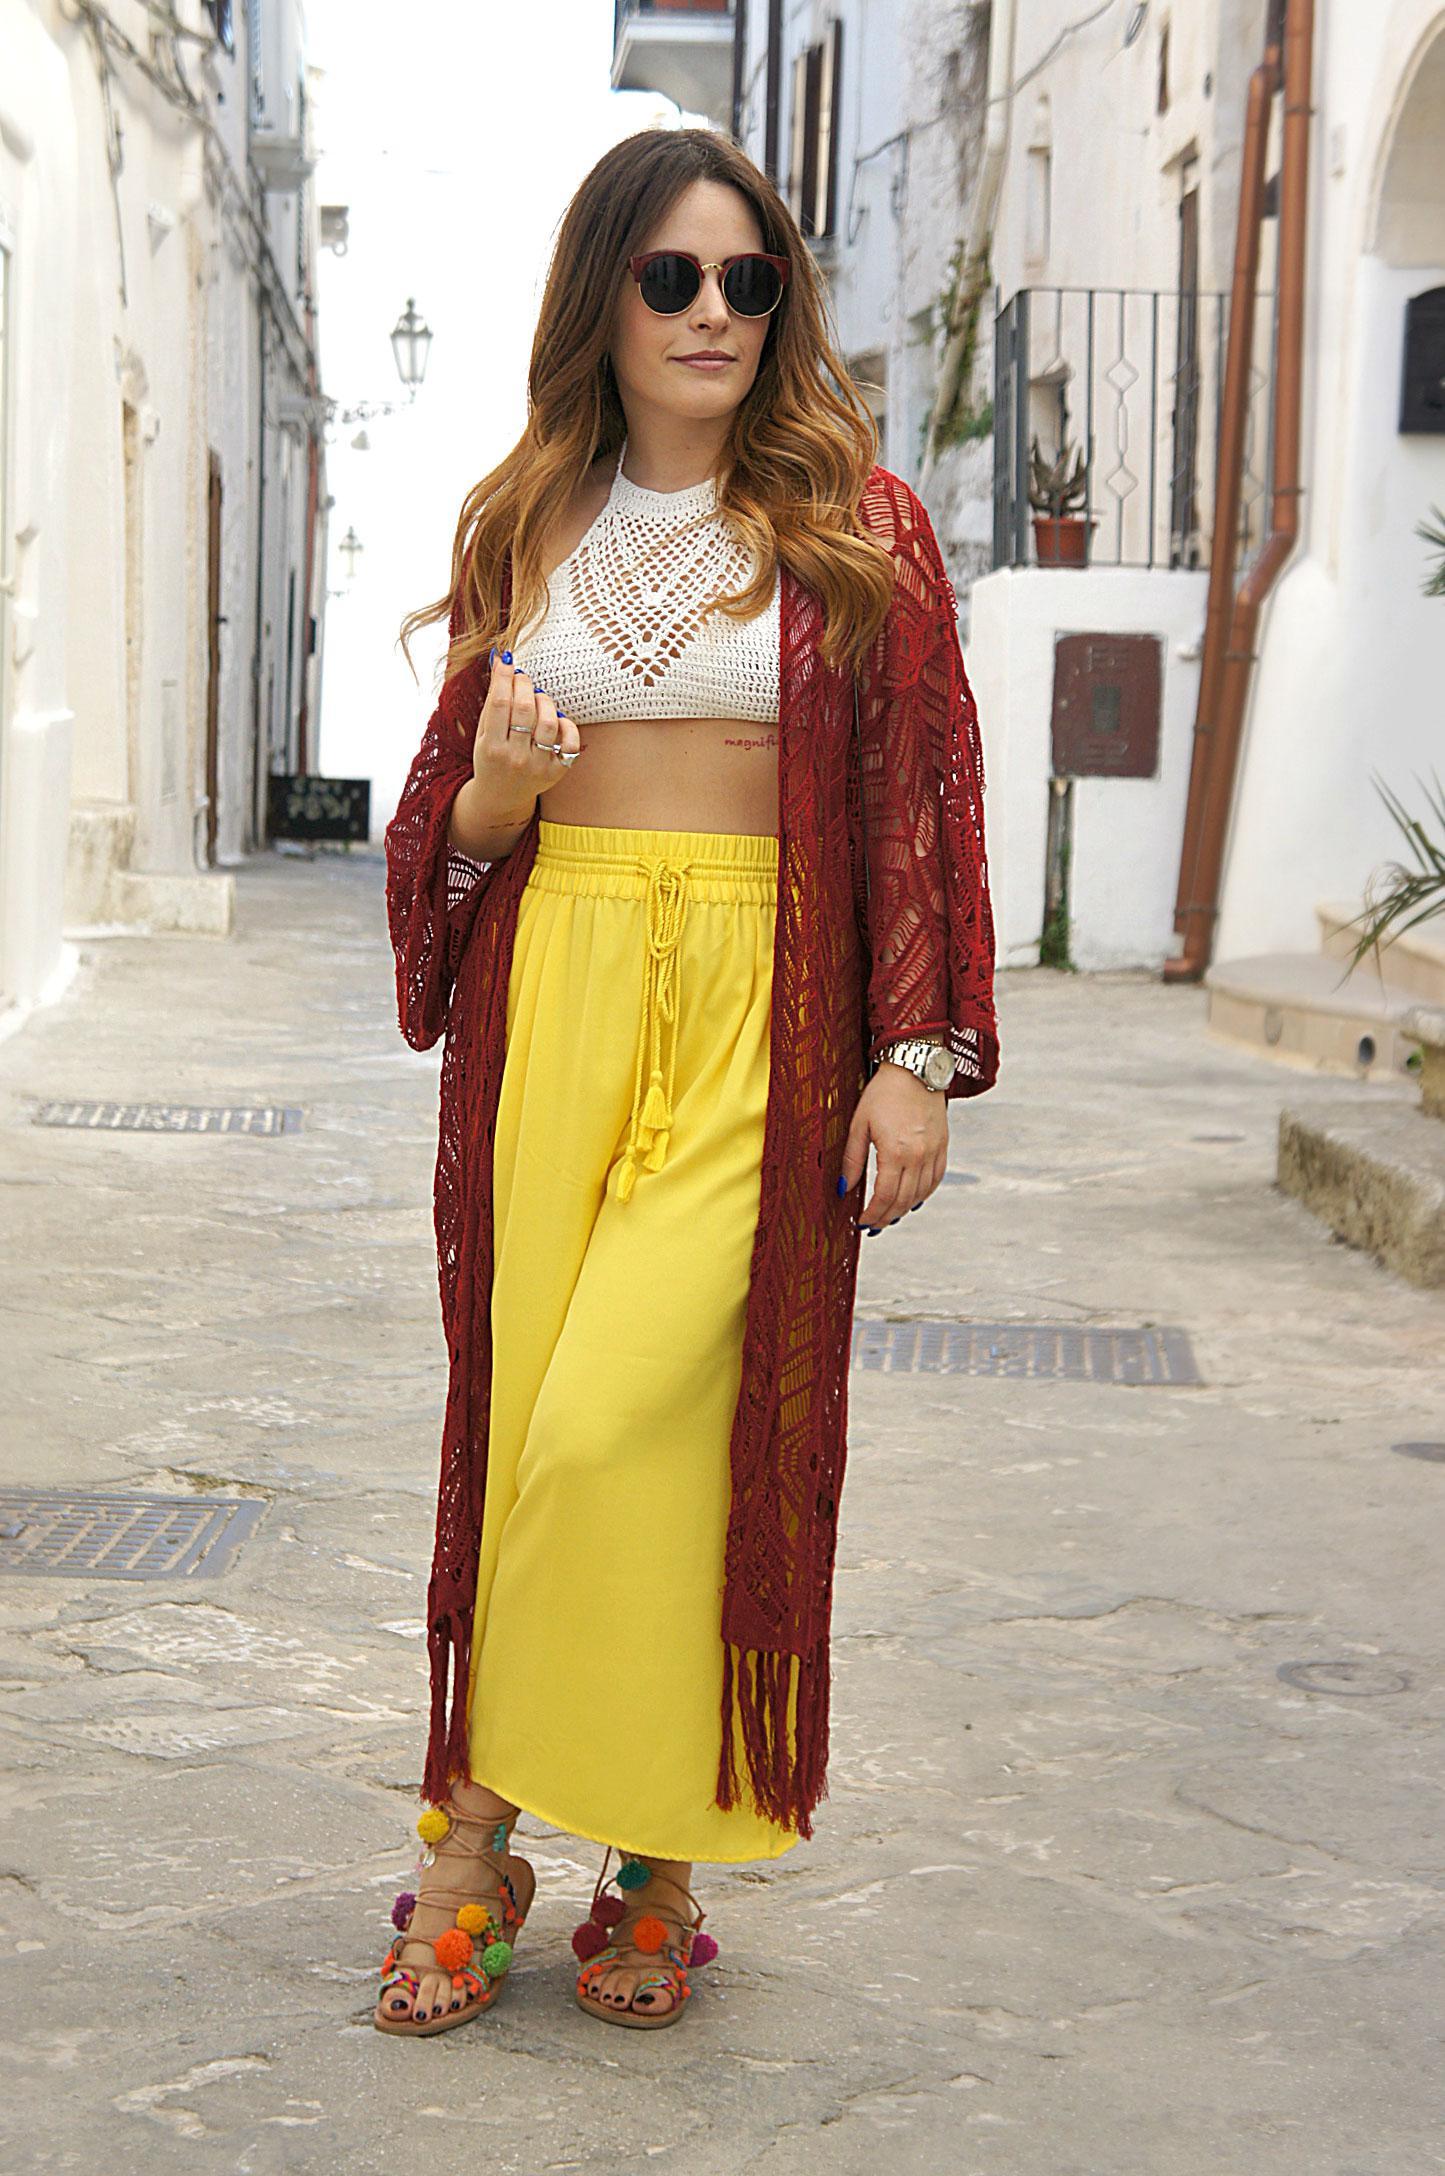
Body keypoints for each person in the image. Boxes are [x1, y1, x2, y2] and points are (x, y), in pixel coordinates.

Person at [377, 125, 1000, 2037]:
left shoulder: (854, 523)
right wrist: (501, 788)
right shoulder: (523, 521)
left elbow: (916, 801)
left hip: (762, 1006)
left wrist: (913, 1059)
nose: (714, 311)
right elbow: (446, 840)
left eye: (748, 279)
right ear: (607, 301)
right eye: (673, 278)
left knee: (635, 1426)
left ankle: (594, 1833)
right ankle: (510, 1848)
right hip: (557, 994)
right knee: (530, 1423)